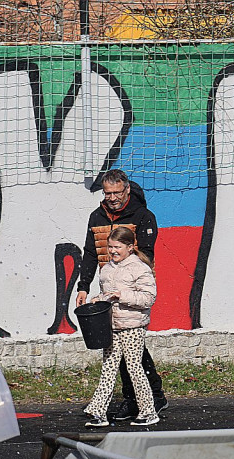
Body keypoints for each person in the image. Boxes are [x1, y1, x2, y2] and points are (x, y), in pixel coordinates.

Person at [76, 168, 168, 419]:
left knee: (131, 353)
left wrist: (126, 288)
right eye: (108, 193)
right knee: (125, 350)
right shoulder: (96, 217)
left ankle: (141, 399)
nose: (113, 198)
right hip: (109, 289)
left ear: (127, 189)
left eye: (117, 192)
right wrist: (83, 286)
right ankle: (148, 397)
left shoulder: (143, 216)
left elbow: (146, 256)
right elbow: (90, 253)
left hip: (132, 291)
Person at [83, 226, 159, 428]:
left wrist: (121, 296)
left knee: (134, 368)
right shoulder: (106, 269)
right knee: (108, 368)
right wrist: (99, 299)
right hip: (111, 326)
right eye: (110, 247)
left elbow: (148, 298)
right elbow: (107, 295)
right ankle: (98, 412)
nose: (113, 251)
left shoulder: (140, 268)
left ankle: (148, 411)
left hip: (133, 326)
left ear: (130, 247)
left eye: (117, 247)